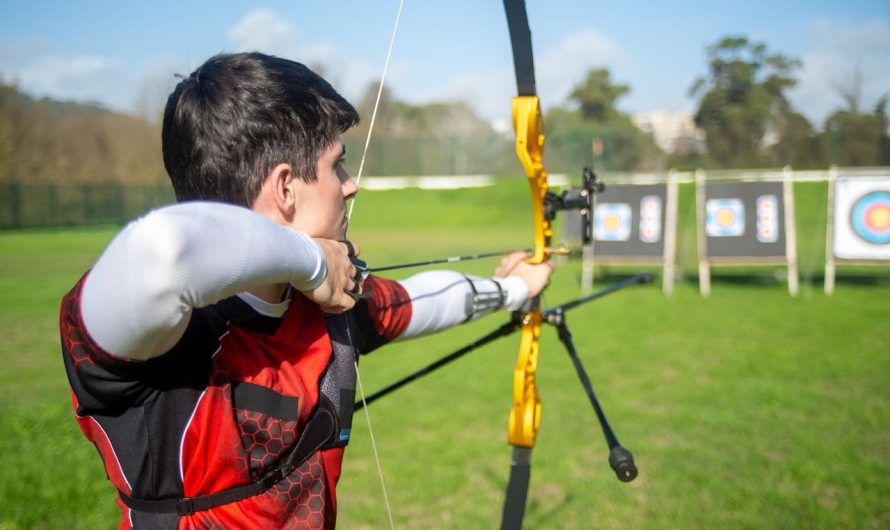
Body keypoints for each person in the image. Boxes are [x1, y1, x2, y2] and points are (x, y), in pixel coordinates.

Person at [60, 52, 553, 529]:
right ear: (286, 188)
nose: (351, 184)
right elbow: (162, 250)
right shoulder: (158, 333)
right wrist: (313, 261)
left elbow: (423, 301)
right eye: (337, 165)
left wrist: (512, 287)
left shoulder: (330, 306)